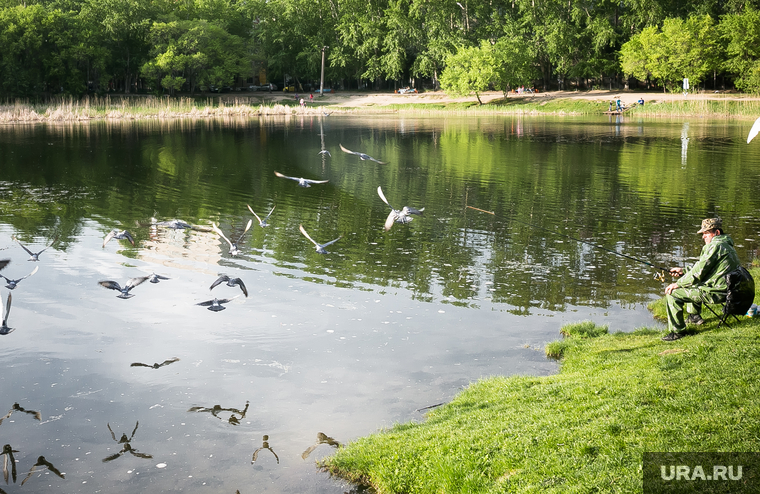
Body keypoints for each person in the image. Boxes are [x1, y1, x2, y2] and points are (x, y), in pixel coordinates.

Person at [662, 217, 741, 341]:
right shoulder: (725, 244)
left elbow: (698, 273)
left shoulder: (715, 246)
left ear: (717, 233)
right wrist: (683, 271)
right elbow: (703, 268)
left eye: (706, 233)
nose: (703, 236)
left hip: (718, 292)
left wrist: (677, 284)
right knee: (690, 283)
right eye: (703, 233)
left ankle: (677, 332)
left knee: (672, 293)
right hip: (730, 290)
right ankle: (694, 316)